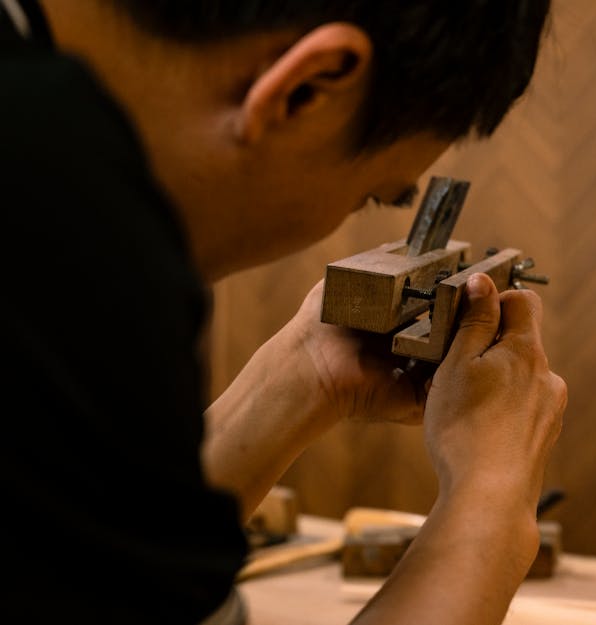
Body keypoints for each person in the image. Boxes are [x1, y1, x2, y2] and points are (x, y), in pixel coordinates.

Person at [1, 1, 567, 624]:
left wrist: (301, 379)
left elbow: (88, 569)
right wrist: (489, 505)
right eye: (370, 194)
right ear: (306, 90)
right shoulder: (58, 204)